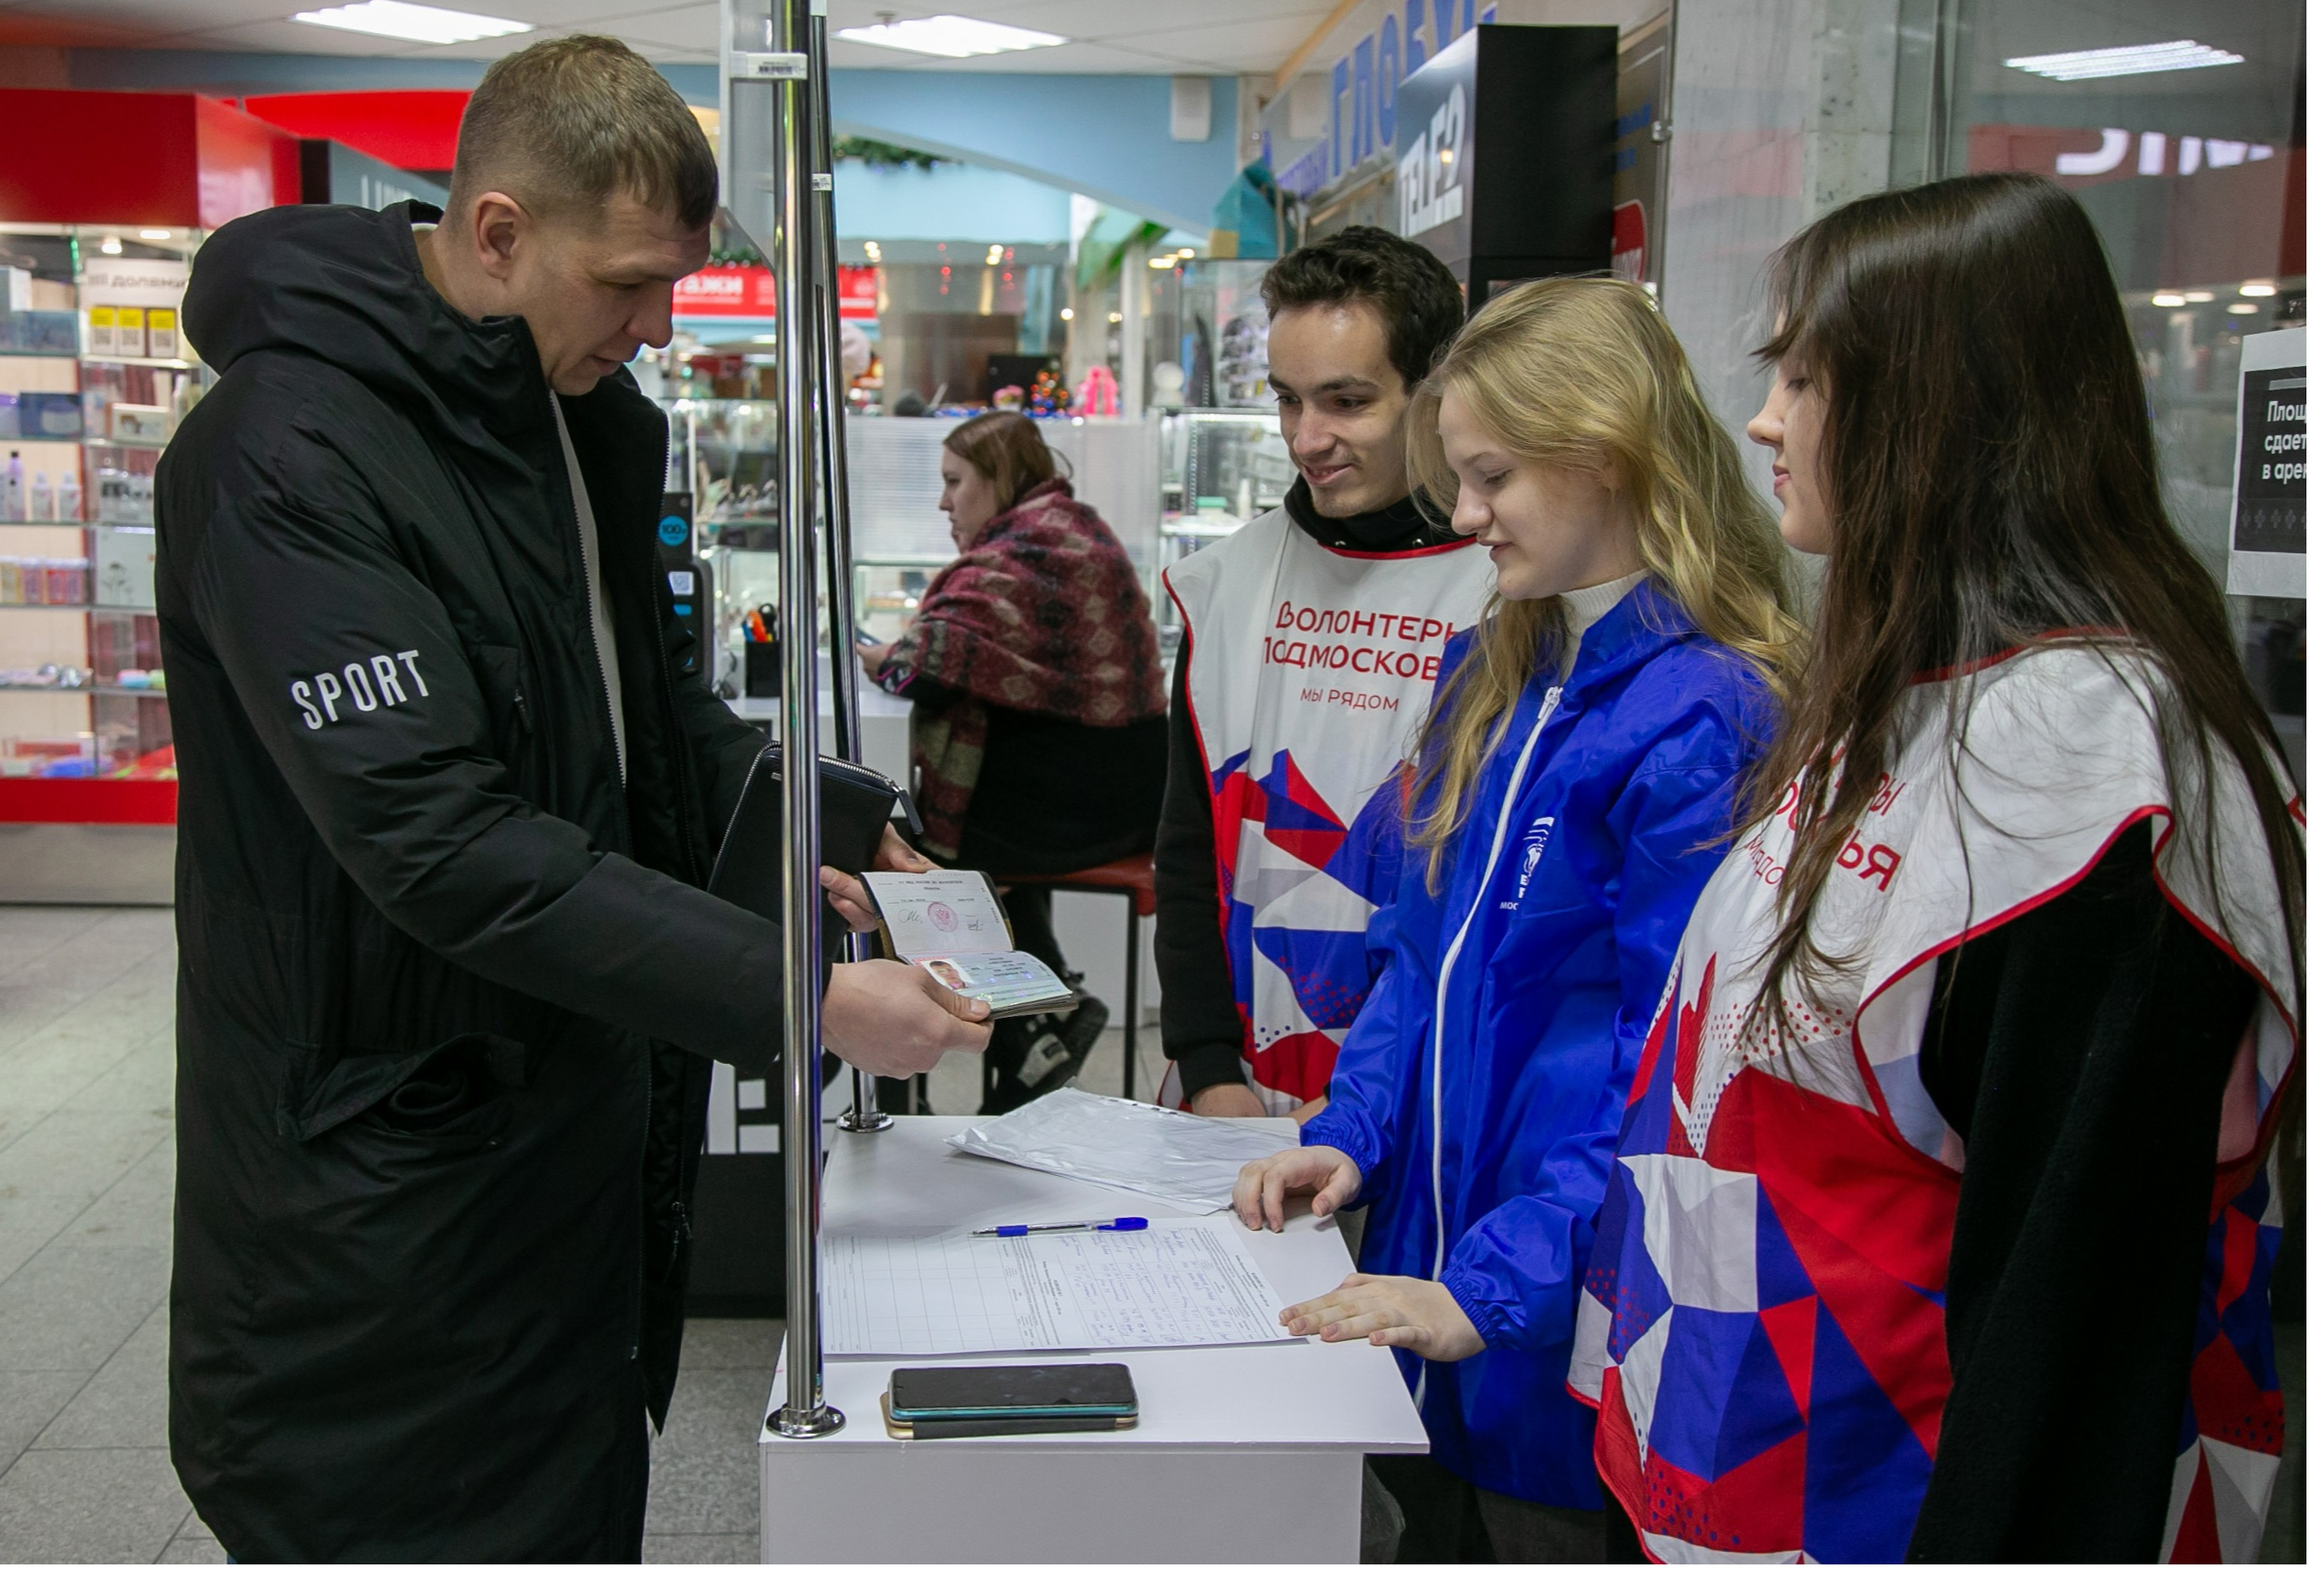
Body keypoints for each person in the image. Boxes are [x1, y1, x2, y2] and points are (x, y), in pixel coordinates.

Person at [155, 37, 989, 1563]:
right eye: (626, 283)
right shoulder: (284, 454)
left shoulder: (541, 410)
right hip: (377, 1211)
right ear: (495, 232)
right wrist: (797, 997)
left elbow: (627, 706)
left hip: (546, 1156)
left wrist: (811, 806)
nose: (656, 326)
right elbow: (441, 838)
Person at [1571, 173, 2304, 1564]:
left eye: (1805, 374)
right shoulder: (1904, 692)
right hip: (1743, 1472)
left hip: (1897, 1503)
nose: (1766, 419)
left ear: (1940, 404)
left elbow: (2071, 1323)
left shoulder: (2100, 782)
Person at [1234, 277, 1801, 1562]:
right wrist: (1352, 1137)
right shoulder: (1493, 669)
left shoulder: (1701, 711)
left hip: (1559, 1314)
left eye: (1491, 477)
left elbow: (1670, 1069)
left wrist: (1493, 1290)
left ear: (1602, 457)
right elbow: (1413, 961)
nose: (1466, 513)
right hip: (1432, 1279)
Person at [1157, 225, 1497, 1119]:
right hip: (1239, 1081)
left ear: (1434, 388)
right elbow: (1188, 847)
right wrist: (1205, 1067)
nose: (1307, 438)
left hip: (1423, 1098)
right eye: (1286, 400)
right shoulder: (1226, 583)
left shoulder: (1510, 585)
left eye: (1346, 401)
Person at [859, 411, 1167, 1108]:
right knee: (969, 849)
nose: (944, 502)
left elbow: (922, 670)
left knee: (921, 853)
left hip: (1077, 810)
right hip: (1132, 797)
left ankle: (948, 1071)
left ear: (997, 477)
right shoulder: (1073, 526)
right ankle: (1035, 1032)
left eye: (953, 482)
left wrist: (882, 657)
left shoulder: (1021, 551)